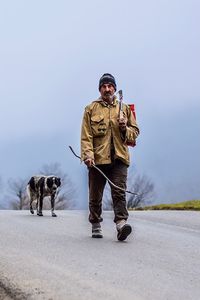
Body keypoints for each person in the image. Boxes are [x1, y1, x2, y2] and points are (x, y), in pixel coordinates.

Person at [81, 73, 139, 241]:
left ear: (114, 88)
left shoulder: (125, 109)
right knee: (95, 195)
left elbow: (134, 133)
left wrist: (124, 128)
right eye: (104, 86)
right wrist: (88, 155)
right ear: (100, 89)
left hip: (119, 158)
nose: (107, 89)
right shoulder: (90, 109)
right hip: (98, 159)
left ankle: (121, 224)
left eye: (110, 86)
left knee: (119, 192)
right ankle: (96, 223)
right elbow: (86, 136)